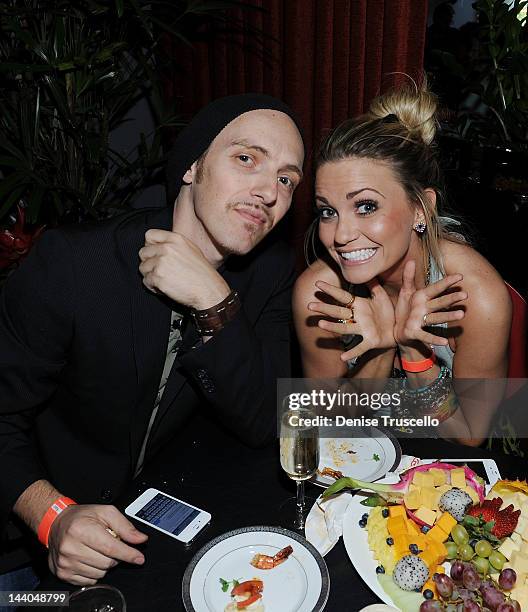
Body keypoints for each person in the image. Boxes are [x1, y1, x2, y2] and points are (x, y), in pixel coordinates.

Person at [0, 94, 304, 589]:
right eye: (246, 158)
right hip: (26, 533)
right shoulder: (75, 264)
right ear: (192, 167)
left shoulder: (268, 274)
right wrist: (50, 514)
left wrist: (214, 299)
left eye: (287, 179)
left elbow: (259, 420)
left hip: (147, 532)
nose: (269, 191)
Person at [293, 81, 511, 446]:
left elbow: (469, 434)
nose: (341, 235)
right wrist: (380, 350)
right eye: (328, 211)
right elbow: (329, 430)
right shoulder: (317, 295)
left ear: (419, 208)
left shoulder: (475, 295)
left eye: (366, 206)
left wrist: (414, 353)